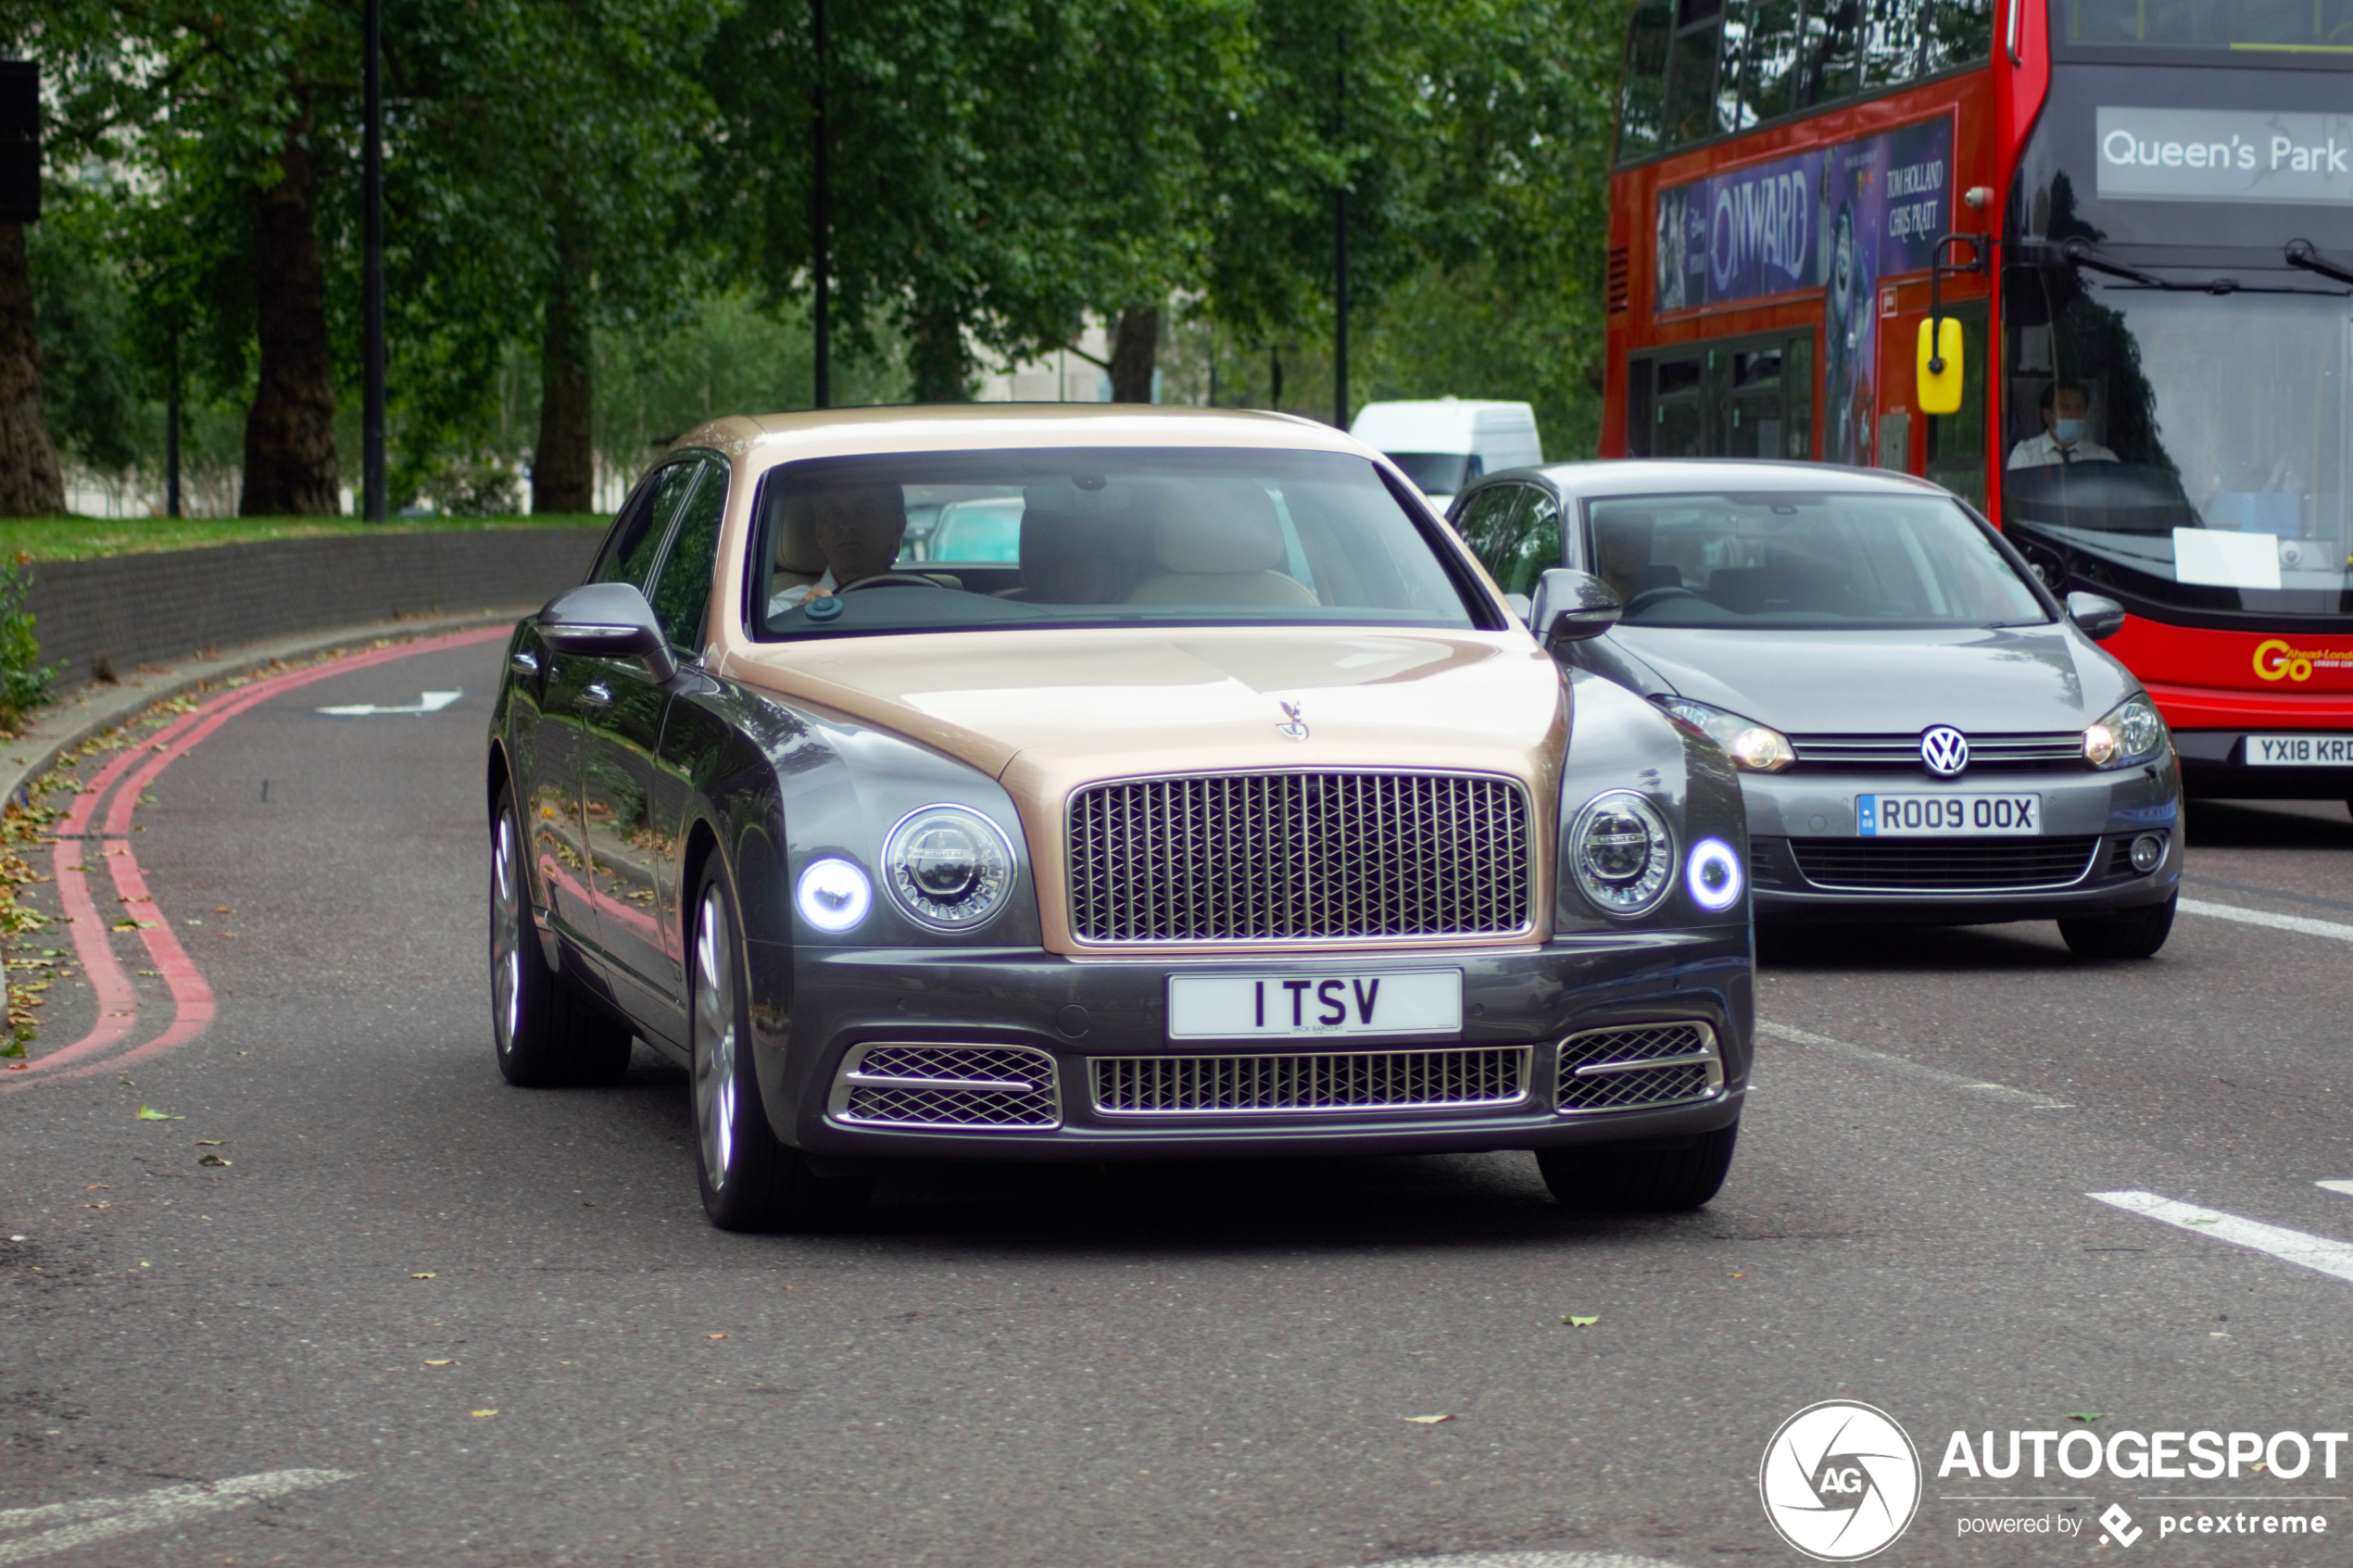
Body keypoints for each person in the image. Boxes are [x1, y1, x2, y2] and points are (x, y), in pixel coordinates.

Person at [771, 483, 910, 610]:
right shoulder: (785, 609)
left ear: (897, 527)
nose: (846, 525)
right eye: (832, 513)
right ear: (819, 533)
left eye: (863, 511)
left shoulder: (921, 600)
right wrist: (802, 623)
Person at [2007, 382, 2119, 469]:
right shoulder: (2025, 457)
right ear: (2047, 415)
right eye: (2065, 407)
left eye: (2080, 407)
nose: (2074, 414)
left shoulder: (2105, 459)